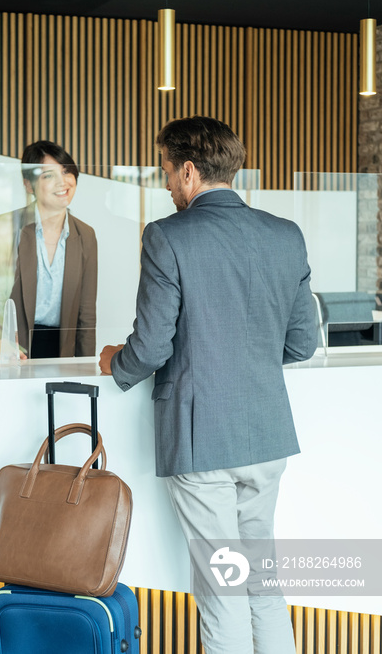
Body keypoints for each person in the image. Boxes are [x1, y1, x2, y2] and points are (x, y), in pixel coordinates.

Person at [99, 116, 317, 654]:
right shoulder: (286, 235)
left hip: (203, 443)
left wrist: (115, 363)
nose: (168, 184)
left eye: (168, 172)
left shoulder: (167, 236)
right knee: (261, 584)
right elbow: (301, 344)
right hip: (266, 436)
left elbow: (149, 348)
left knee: (223, 591)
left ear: (190, 171)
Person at [0, 140, 97, 360]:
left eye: (66, 171)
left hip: (60, 352)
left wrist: (86, 369)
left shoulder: (86, 235)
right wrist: (3, 343)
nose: (63, 182)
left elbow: (85, 316)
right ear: (29, 185)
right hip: (8, 347)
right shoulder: (5, 227)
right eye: (48, 175)